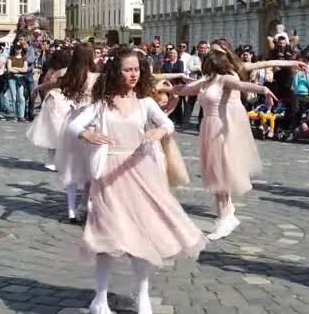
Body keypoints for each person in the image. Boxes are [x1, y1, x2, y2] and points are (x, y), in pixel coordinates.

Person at [68, 48, 206, 314]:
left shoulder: (145, 102)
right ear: (116, 72)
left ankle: (142, 295)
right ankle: (100, 298)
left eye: (136, 69)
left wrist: (158, 131)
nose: (133, 74)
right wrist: (87, 135)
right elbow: (73, 126)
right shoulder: (102, 103)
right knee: (107, 237)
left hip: (141, 172)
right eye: (127, 69)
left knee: (144, 235)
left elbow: (169, 124)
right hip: (109, 176)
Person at [175, 50, 277, 241]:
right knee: (214, 172)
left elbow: (242, 85)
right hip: (208, 128)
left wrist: (264, 90)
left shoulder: (224, 78)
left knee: (219, 174)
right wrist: (160, 89)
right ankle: (227, 213)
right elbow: (184, 90)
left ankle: (224, 219)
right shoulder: (206, 81)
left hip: (220, 129)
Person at [54, 43, 100, 223]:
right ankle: (85, 205)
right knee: (90, 167)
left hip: (72, 121)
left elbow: (50, 84)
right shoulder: (96, 77)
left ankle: (71, 210)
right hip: (89, 123)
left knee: (72, 168)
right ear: (90, 58)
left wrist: (39, 88)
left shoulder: (69, 77)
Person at [26, 50, 72, 171]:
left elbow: (47, 83)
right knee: (59, 130)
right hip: (66, 100)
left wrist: (37, 88)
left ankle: (54, 160)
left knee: (53, 131)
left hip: (55, 100)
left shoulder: (55, 71)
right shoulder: (70, 71)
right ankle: (58, 161)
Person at [7, 43, 29, 122]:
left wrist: (15, 68)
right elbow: (9, 69)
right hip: (11, 79)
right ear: (14, 49)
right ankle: (15, 116)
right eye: (17, 48)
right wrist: (20, 70)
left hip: (20, 79)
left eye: (19, 48)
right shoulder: (10, 57)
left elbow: (25, 69)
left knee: (21, 98)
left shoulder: (24, 58)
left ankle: (21, 116)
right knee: (13, 98)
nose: (18, 49)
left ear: (22, 49)